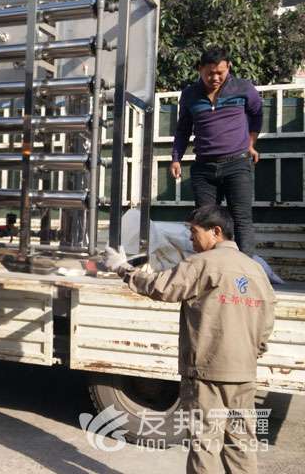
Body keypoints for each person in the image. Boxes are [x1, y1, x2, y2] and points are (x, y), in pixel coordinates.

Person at [105, 205, 275, 474]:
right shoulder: (255, 269)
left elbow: (160, 286)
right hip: (243, 372)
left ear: (216, 231)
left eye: (195, 232)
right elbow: (266, 323)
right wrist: (252, 352)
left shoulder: (202, 264)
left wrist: (124, 270)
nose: (191, 238)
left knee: (205, 442)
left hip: (207, 372)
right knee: (241, 443)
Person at [170, 47, 263, 255]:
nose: (215, 78)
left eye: (221, 72)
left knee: (241, 218)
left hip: (237, 164)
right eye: (210, 73)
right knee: (204, 221)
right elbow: (183, 128)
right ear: (200, 69)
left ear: (228, 67)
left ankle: (244, 267)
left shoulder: (243, 88)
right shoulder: (190, 95)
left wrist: (250, 143)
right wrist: (176, 158)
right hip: (204, 168)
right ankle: (208, 265)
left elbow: (257, 114)